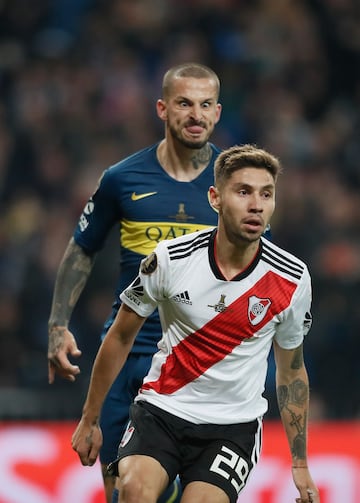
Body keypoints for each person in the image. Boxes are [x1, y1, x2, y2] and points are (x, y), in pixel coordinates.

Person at [71, 144, 320, 503]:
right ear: (215, 198)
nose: (256, 205)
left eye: (266, 194)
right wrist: (90, 418)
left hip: (232, 427)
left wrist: (299, 463)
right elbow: (121, 335)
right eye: (243, 192)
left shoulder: (292, 279)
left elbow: (291, 372)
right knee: (134, 491)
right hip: (163, 410)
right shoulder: (171, 260)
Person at [47, 62, 223, 503]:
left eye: (205, 105)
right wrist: (57, 326)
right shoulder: (122, 179)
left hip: (199, 366)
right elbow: (81, 249)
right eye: (184, 103)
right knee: (124, 493)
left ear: (218, 113)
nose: (195, 114)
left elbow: (261, 271)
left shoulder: (234, 183)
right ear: (162, 109)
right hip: (128, 357)